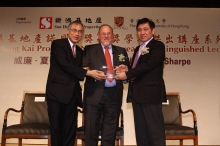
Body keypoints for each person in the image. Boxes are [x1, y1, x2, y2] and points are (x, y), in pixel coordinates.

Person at [45, 20, 105, 146]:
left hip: (72, 95)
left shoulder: (80, 51)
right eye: (74, 30)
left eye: (80, 31)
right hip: (56, 94)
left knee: (70, 130)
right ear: (68, 31)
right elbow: (64, 64)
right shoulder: (58, 44)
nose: (77, 33)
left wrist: (95, 71)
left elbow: (81, 70)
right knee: (56, 129)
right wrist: (87, 73)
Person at [115, 18, 167, 146]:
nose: (142, 32)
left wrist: (127, 74)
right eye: (139, 30)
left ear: (153, 30)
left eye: (145, 29)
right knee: (141, 134)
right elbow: (138, 69)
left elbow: (148, 65)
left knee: (155, 133)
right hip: (137, 95)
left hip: (151, 95)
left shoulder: (158, 46)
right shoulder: (138, 48)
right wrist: (127, 69)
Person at [82, 24, 130, 146]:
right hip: (94, 94)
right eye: (103, 33)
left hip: (114, 94)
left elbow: (127, 71)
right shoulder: (89, 49)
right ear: (98, 36)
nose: (106, 36)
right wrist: (91, 73)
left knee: (110, 132)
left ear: (113, 36)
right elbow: (83, 69)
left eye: (109, 33)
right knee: (91, 130)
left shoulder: (121, 51)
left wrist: (124, 72)